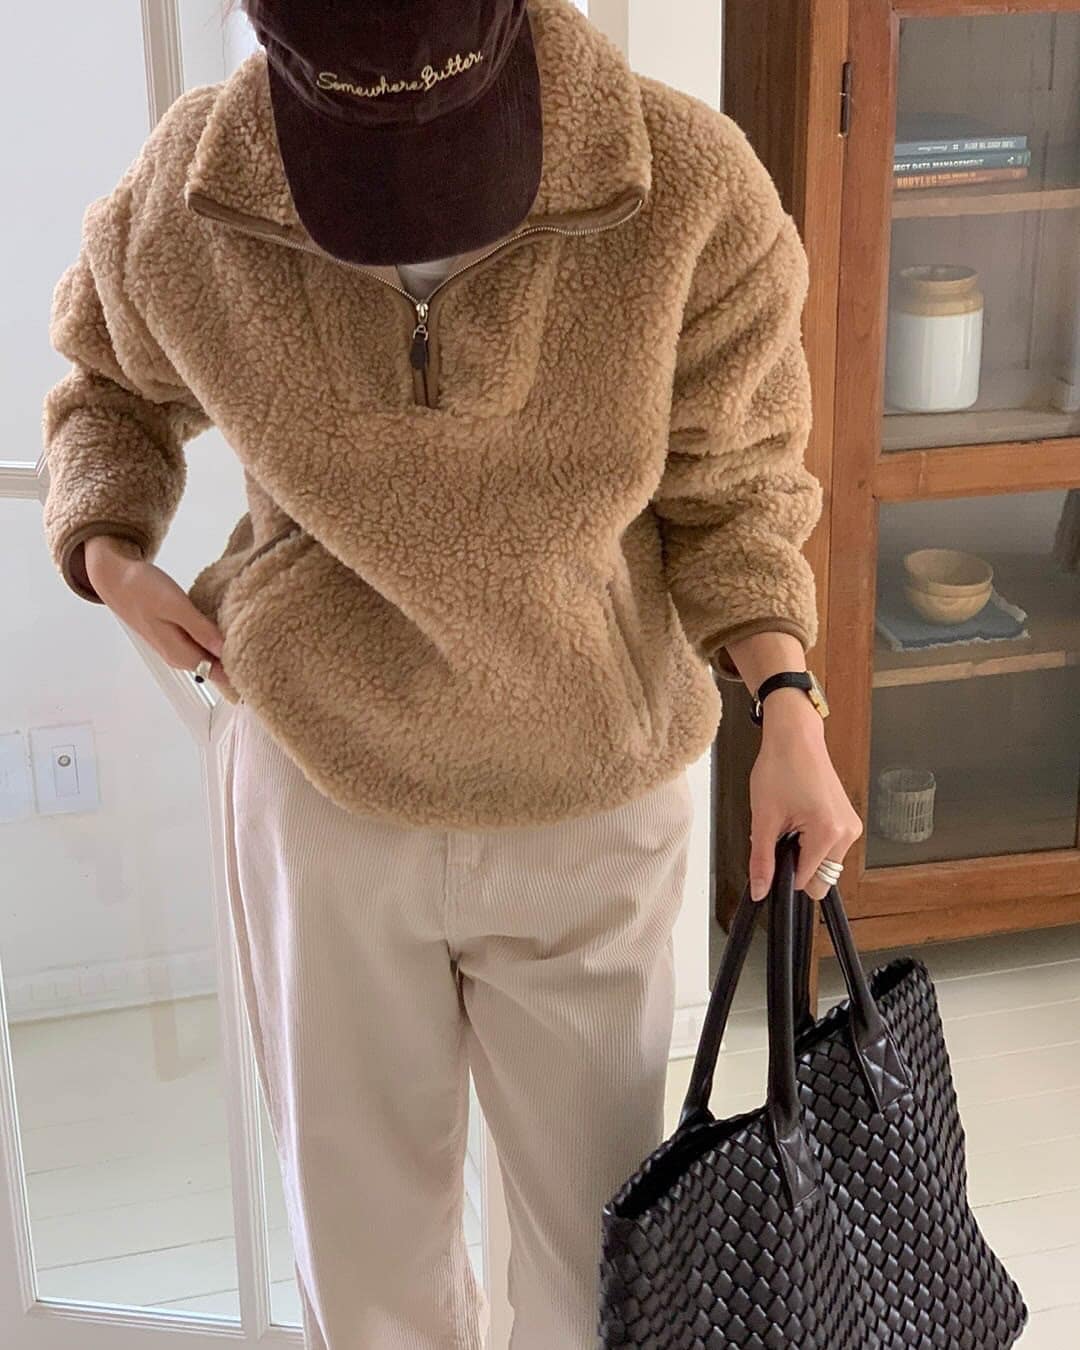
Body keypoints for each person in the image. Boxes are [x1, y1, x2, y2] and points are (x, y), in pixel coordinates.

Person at [39, 1, 862, 1345]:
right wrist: (111, 552)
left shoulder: (686, 188)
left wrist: (786, 700)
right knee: (366, 1267)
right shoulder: (196, 194)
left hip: (591, 792)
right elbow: (104, 387)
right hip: (323, 790)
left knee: (602, 1266)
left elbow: (740, 487)